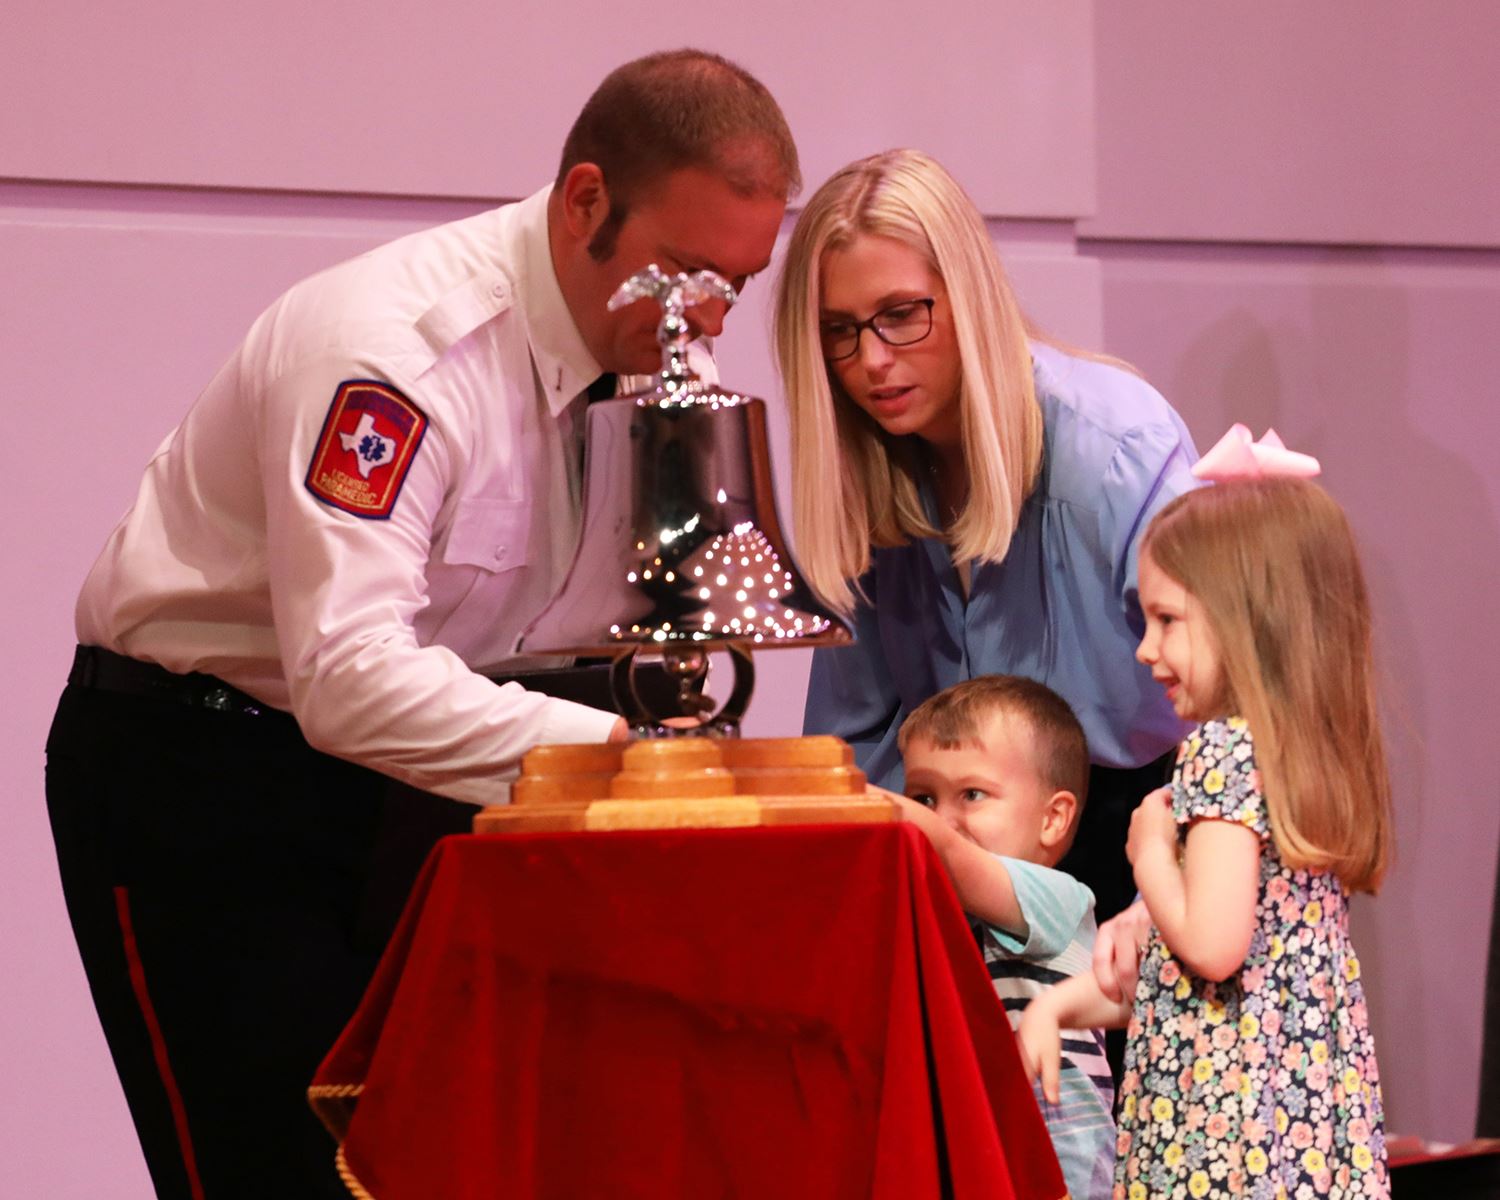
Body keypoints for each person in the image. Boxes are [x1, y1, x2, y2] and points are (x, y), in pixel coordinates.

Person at [45, 49, 798, 1199]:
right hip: (205, 778)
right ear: (585, 199)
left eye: (735, 285)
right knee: (273, 1177)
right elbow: (349, 679)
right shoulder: (397, 354)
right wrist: (628, 766)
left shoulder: (642, 361)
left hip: (409, 790)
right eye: (684, 272)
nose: (705, 318)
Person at [771, 148, 1199, 927]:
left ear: (966, 296)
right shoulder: (870, 487)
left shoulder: (1113, 447)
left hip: (1153, 844)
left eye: (902, 314)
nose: (871, 361)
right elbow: (854, 754)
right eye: (838, 330)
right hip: (969, 869)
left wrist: (1170, 902)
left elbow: (1247, 713)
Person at [1016, 472, 1393, 1199]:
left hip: (1223, 1139)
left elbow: (1211, 950)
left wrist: (1148, 851)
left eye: (1167, 620)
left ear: (1248, 621)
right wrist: (1057, 1006)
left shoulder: (1221, 754)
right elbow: (1180, 980)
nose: (1144, 650)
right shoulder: (1301, 760)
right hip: (1295, 1136)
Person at [892, 674, 1116, 1200]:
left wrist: (839, 794)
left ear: (1053, 818)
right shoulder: (945, 913)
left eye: (971, 794)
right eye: (923, 796)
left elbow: (945, 849)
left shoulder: (1060, 898)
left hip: (1062, 1169)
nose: (943, 818)